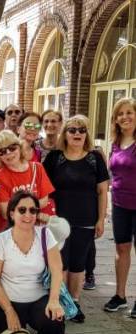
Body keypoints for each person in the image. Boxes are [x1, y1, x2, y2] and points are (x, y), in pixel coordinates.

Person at [0, 191, 66, 334]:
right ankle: (18, 327)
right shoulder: (1, 240)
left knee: (54, 320)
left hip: (38, 298)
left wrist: (54, 300)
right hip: (8, 300)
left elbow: (57, 269)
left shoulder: (45, 235)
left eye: (33, 210)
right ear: (11, 213)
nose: (28, 214)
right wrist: (9, 310)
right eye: (22, 210)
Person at [43, 115, 109, 323]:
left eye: (82, 130)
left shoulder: (94, 158)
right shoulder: (55, 158)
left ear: (87, 134)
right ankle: (60, 302)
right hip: (58, 222)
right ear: (65, 133)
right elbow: (43, 189)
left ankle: (74, 302)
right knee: (60, 264)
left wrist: (101, 219)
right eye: (72, 130)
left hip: (86, 219)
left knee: (78, 264)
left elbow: (102, 191)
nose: (77, 134)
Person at [103, 98, 136, 316]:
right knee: (121, 249)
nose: (124, 117)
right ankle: (120, 295)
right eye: (120, 114)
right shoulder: (115, 143)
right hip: (119, 204)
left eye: (129, 113)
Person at [0, 130, 54, 237]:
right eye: (2, 151)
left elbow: (44, 201)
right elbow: (6, 213)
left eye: (12, 148)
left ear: (19, 147)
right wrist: (31, 209)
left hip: (33, 229)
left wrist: (19, 209)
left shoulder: (37, 168)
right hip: (9, 232)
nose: (8, 153)